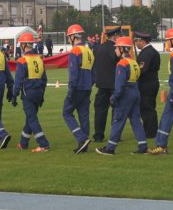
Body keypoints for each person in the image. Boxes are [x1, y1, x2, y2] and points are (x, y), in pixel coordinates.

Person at [96, 36, 148, 155]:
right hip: (135, 92)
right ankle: (143, 146)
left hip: (126, 94)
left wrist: (114, 97)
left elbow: (119, 86)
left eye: (116, 48)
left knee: (118, 120)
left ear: (121, 48)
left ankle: (110, 148)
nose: (115, 50)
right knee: (136, 121)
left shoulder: (122, 64)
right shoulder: (134, 62)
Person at [12, 33, 50, 152]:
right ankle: (23, 143)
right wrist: (42, 94)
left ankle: (43, 144)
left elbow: (18, 81)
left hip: (28, 93)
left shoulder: (22, 60)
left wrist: (14, 95)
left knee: (32, 118)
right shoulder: (39, 59)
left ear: (23, 45)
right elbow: (44, 80)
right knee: (30, 118)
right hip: (38, 92)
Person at [63, 24, 95, 154]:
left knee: (66, 113)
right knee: (84, 116)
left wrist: (71, 90)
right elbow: (94, 73)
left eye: (69, 37)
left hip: (77, 88)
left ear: (73, 37)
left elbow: (74, 74)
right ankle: (84, 144)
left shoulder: (75, 51)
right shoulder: (89, 51)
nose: (68, 39)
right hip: (87, 88)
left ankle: (82, 139)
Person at [92, 26, 121, 143]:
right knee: (116, 111)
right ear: (115, 36)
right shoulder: (116, 49)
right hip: (114, 84)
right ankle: (115, 135)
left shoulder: (98, 48)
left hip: (101, 84)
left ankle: (98, 136)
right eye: (119, 35)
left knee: (100, 111)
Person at [134, 31, 160, 139]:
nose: (136, 43)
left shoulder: (146, 53)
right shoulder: (152, 51)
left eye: (137, 41)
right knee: (149, 107)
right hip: (152, 82)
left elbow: (141, 70)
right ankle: (150, 130)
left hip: (146, 83)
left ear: (142, 41)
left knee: (146, 108)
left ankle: (150, 132)